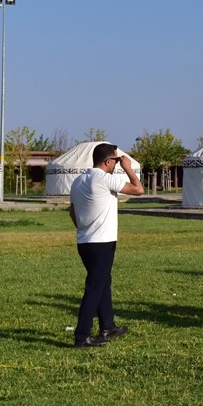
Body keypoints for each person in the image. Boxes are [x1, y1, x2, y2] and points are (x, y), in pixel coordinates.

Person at [68, 143, 144, 347]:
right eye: (116, 161)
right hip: (102, 242)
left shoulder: (78, 181)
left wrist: (84, 229)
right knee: (94, 287)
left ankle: (108, 326)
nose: (116, 165)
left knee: (102, 282)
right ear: (108, 161)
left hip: (85, 242)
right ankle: (82, 335)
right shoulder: (103, 179)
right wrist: (128, 168)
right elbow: (138, 189)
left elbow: (72, 212)